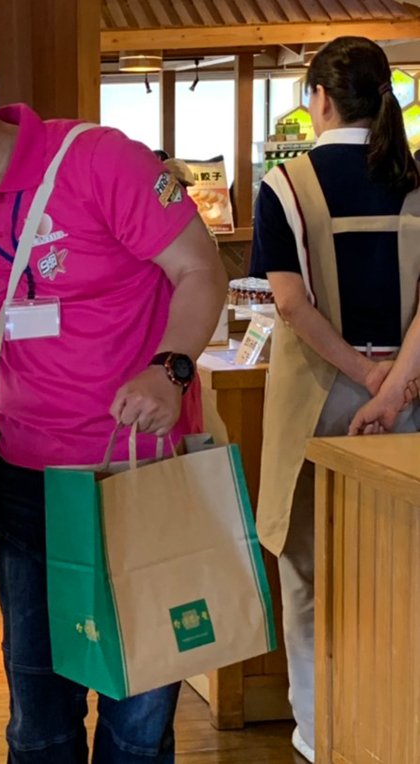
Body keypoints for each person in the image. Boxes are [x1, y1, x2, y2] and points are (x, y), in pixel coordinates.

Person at [0, 28, 224, 763]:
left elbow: (199, 268)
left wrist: (170, 367)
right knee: (39, 717)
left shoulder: (96, 160)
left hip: (139, 475)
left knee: (139, 713)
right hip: (27, 482)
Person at [250, 36, 420, 764]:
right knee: (403, 576)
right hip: (410, 399)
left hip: (316, 399)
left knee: (310, 579)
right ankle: (398, 731)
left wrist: (359, 370)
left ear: (317, 99)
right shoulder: (415, 182)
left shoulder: (286, 185)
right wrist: (394, 380)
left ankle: (320, 739)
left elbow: (289, 303)